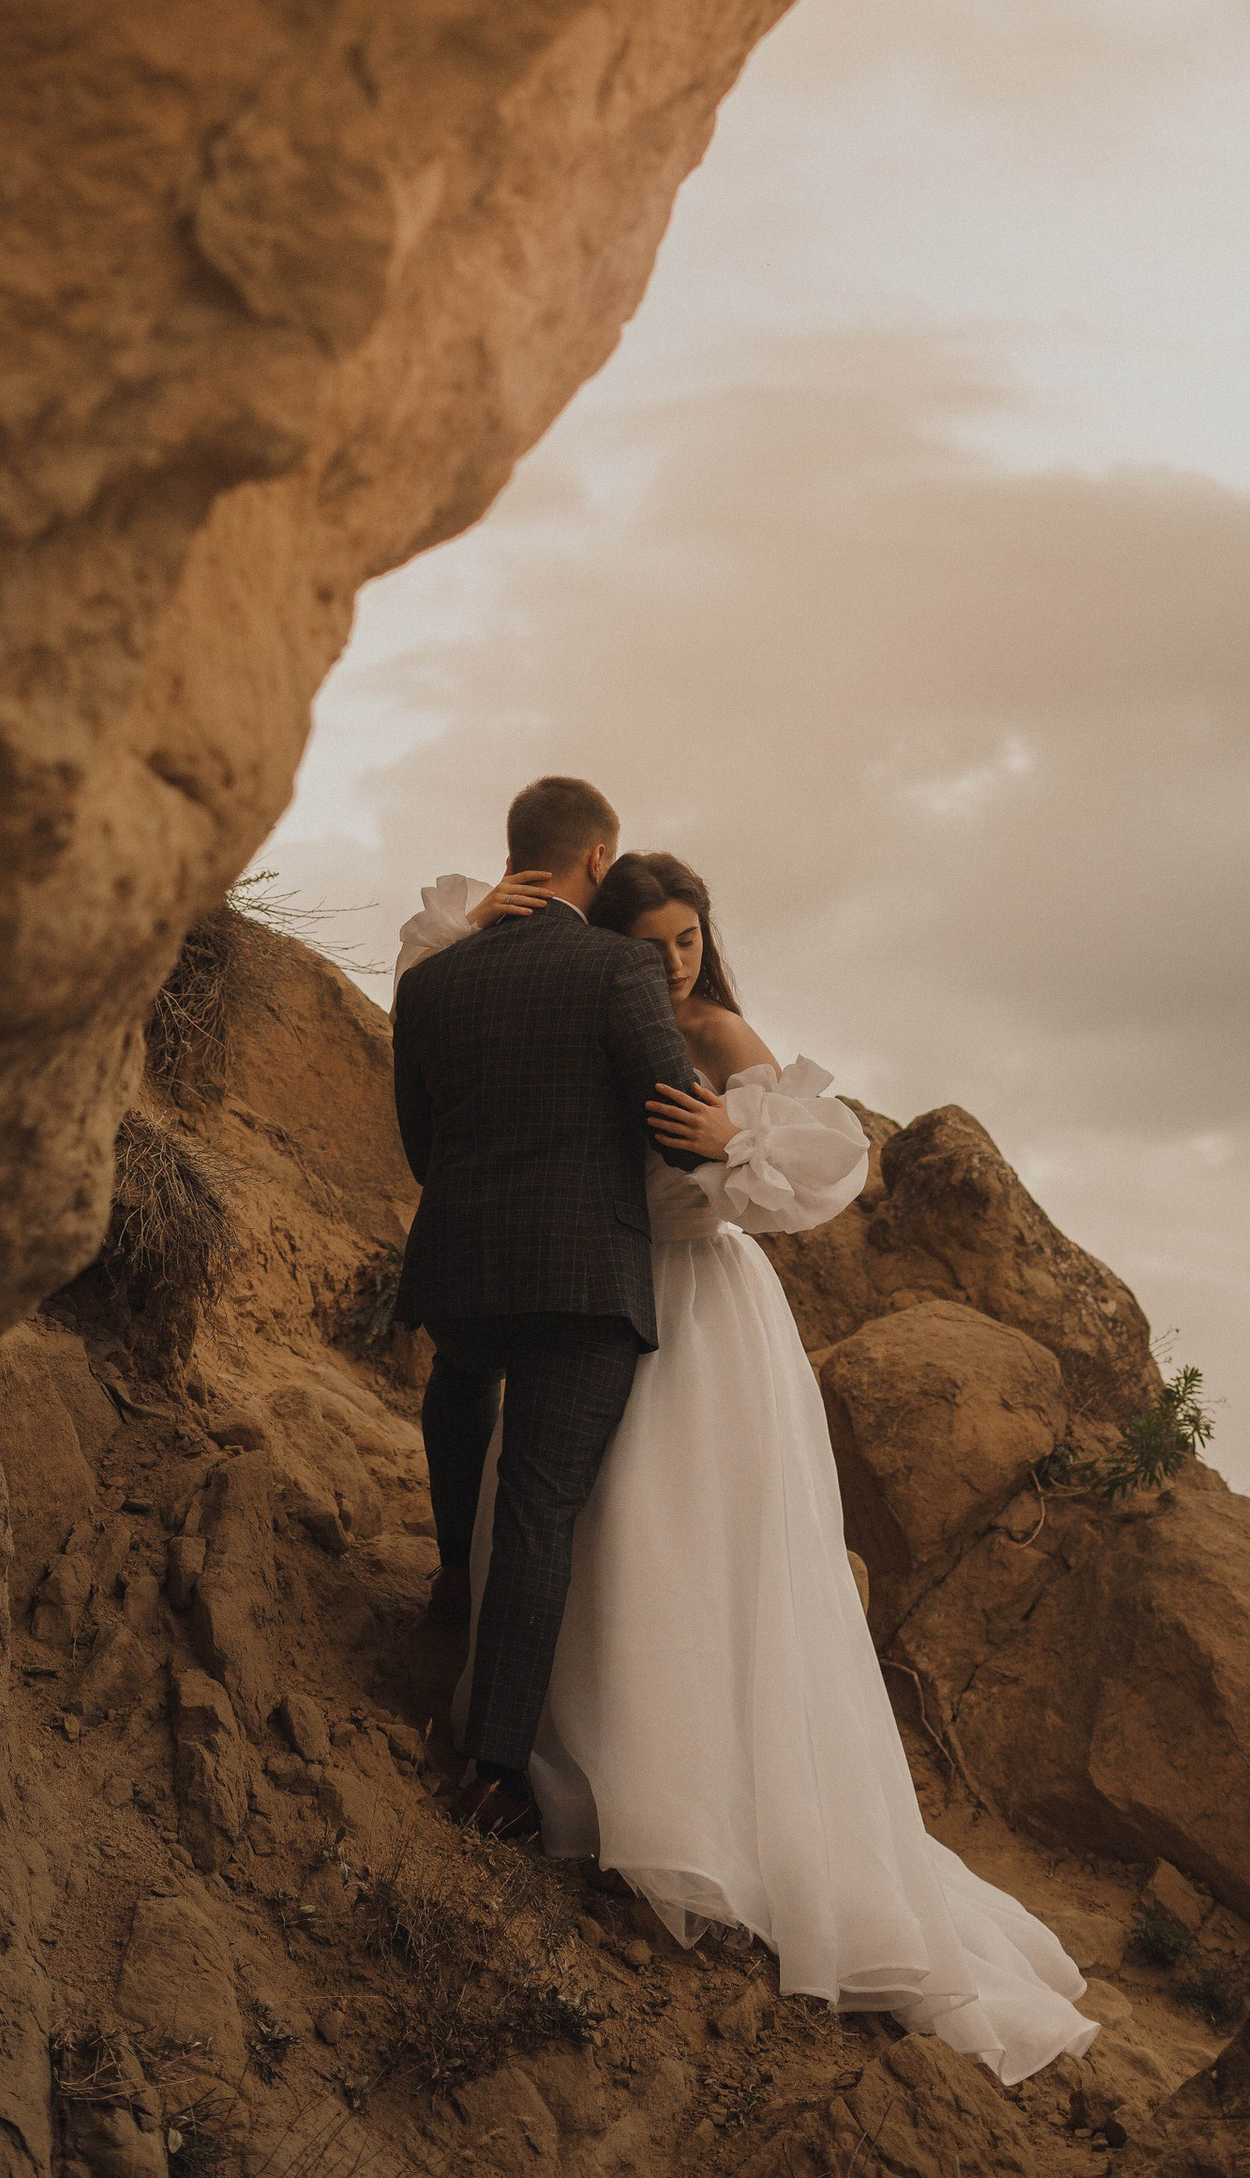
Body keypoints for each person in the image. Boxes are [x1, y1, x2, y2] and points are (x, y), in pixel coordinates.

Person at [395, 845, 1097, 2090]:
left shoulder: (717, 1031)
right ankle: (568, 1745)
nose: (673, 963)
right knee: (584, 1526)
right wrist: (480, 919)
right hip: (596, 1293)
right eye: (650, 942)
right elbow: (452, 996)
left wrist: (732, 1135)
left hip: (702, 1315)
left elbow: (818, 1174)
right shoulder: (580, 1005)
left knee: (684, 1542)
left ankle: (693, 1801)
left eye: (688, 938)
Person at [388, 775, 698, 1841]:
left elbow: (420, 1148)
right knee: (538, 1508)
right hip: (581, 1280)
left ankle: (452, 1573)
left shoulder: (433, 983)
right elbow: (673, 1128)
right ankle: (494, 1772)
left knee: (461, 1377)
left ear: (515, 850)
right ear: (598, 859)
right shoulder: (621, 969)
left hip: (460, 1260)